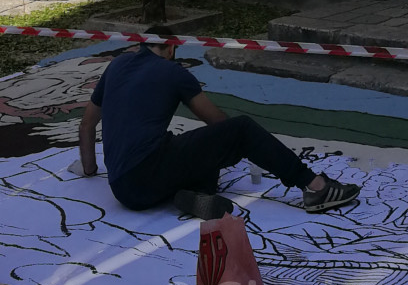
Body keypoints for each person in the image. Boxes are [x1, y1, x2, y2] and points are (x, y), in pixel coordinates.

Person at [77, 30, 361, 218]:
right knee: (240, 130)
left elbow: (87, 125)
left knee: (189, 148)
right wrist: (247, 148)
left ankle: (190, 196)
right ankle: (315, 186)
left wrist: (90, 170)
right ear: (171, 48)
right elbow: (218, 124)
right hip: (150, 169)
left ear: (140, 44)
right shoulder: (172, 72)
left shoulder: (115, 66)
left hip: (123, 189)